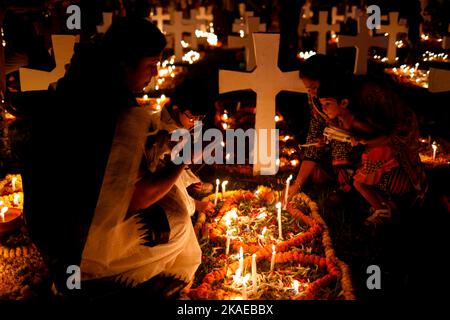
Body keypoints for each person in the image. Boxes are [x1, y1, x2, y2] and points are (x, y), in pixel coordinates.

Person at [24, 17, 186, 299]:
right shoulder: (112, 107)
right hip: (73, 238)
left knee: (171, 197)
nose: (155, 72)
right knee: (179, 220)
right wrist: (183, 158)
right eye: (150, 64)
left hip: (48, 221)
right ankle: (99, 279)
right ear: (124, 61)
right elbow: (137, 197)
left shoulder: (84, 82)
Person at [315, 76, 427, 225]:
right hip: (375, 152)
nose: (324, 109)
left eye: (328, 104)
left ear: (344, 103)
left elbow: (384, 138)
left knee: (360, 183)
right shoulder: (345, 117)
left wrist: (363, 141)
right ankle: (385, 208)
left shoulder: (358, 119)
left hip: (383, 153)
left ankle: (382, 212)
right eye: (322, 104)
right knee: (363, 182)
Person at [289, 54, 356, 198]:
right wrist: (297, 185)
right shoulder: (317, 101)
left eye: (314, 87)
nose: (312, 93)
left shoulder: (352, 97)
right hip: (339, 150)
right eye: (308, 89)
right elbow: (314, 137)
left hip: (368, 148)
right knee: (315, 174)